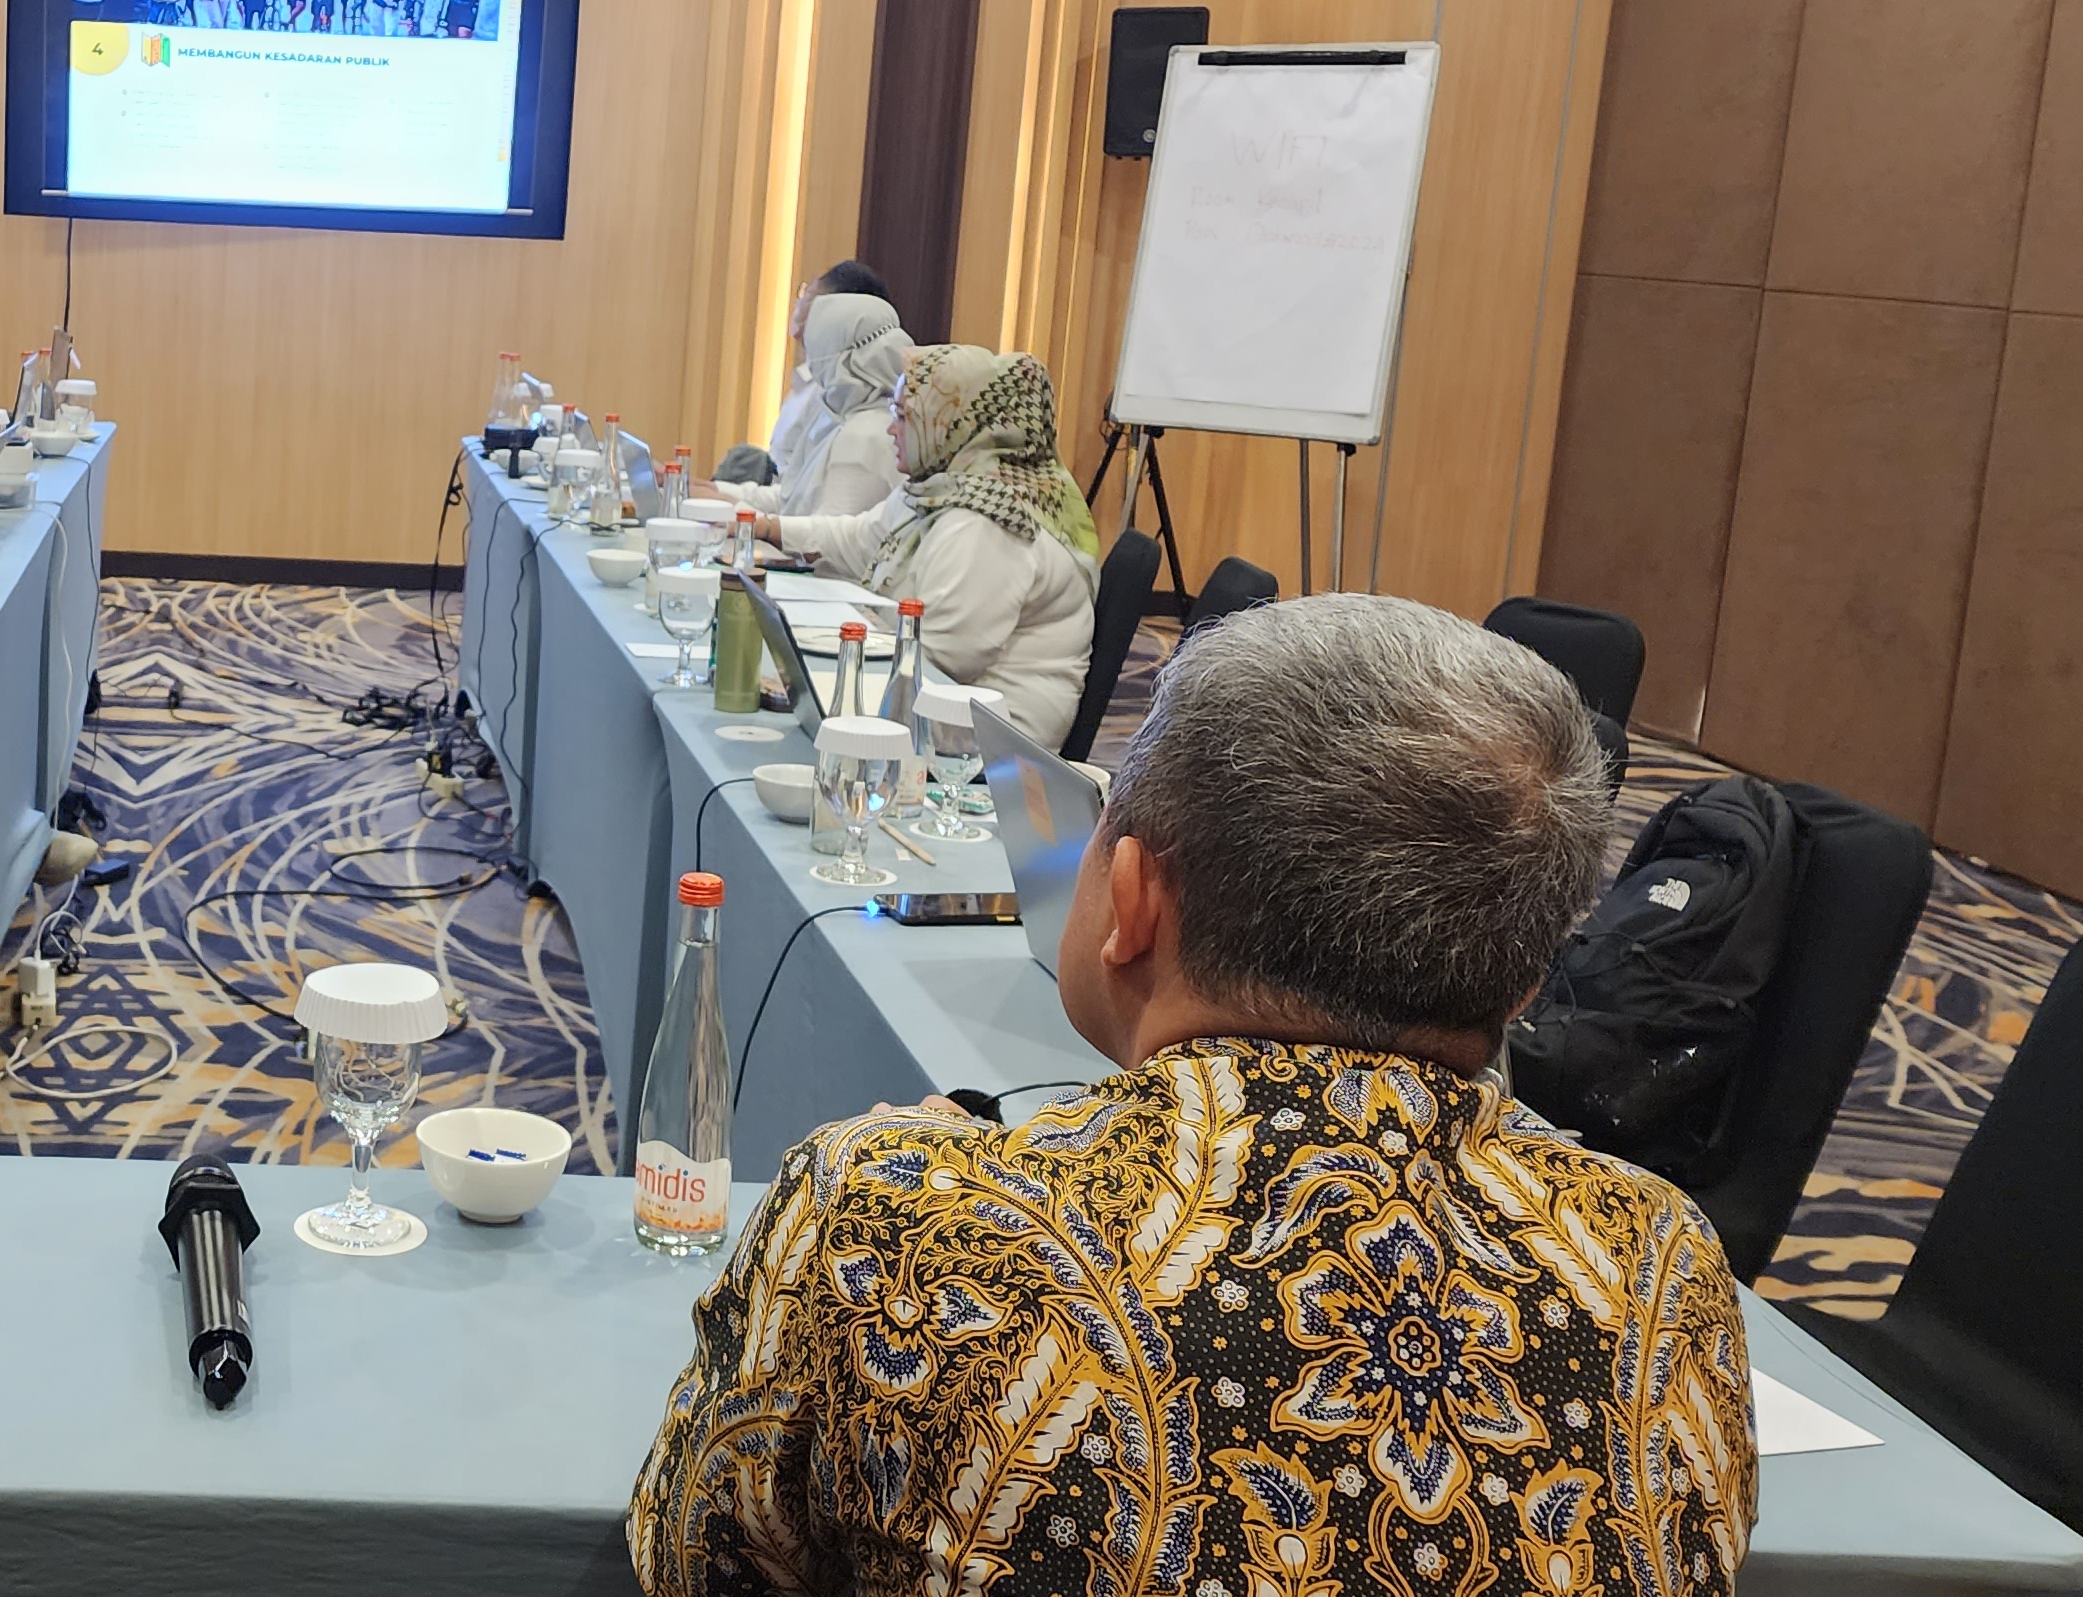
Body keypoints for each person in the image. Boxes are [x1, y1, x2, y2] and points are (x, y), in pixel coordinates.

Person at [632, 593, 1755, 1597]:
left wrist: (904, 1181)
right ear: (1522, 981)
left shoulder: (890, 1220)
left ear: (1132, 899)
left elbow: (696, 1562)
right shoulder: (1669, 1267)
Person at [751, 345, 1098, 739]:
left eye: (903, 416)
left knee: (783, 709)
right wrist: (766, 528)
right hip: (935, 694)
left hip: (990, 730)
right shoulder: (940, 485)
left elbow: (944, 656)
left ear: (948, 423)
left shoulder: (988, 519)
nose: (891, 429)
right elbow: (862, 538)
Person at [712, 290, 907, 520]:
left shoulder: (866, 434)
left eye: (818, 349)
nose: (813, 364)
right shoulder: (838, 416)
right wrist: (716, 492)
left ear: (841, 357)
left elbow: (825, 535)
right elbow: (790, 498)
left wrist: (732, 509)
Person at [718, 259, 895, 489]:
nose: (797, 314)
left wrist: (729, 497)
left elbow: (798, 496)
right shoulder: (809, 380)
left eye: (807, 300)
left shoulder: (840, 398)